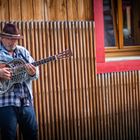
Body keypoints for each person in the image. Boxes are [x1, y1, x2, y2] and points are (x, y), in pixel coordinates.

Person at [0, 23, 39, 140]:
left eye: (15, 39)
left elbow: (36, 74)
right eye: (10, 39)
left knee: (32, 134)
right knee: (9, 136)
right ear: (1, 38)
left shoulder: (23, 52)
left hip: (26, 102)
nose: (13, 42)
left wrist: (32, 73)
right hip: (5, 104)